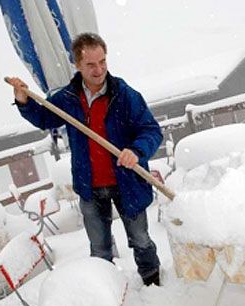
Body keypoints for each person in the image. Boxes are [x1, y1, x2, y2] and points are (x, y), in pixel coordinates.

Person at [9, 33, 162, 286]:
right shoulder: (67, 98)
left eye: (102, 61)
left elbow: (151, 130)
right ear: (77, 64)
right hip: (90, 185)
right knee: (99, 247)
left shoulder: (124, 95)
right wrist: (23, 100)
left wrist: (135, 150)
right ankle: (105, 289)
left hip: (127, 182)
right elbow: (45, 118)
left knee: (141, 239)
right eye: (91, 64)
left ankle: (153, 280)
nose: (99, 69)